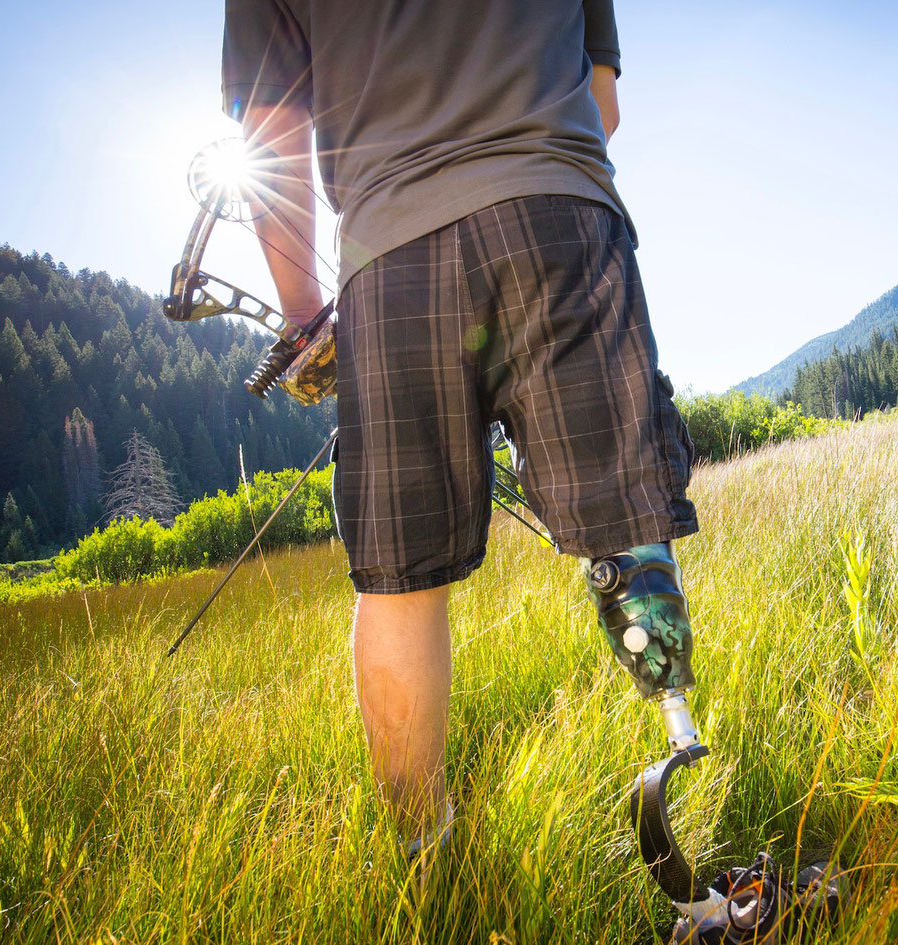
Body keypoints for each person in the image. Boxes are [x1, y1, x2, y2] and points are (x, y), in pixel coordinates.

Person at [221, 0, 699, 855]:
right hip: (558, 210)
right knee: (625, 524)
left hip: (389, 255)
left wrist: (303, 319)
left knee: (400, 581)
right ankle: (681, 748)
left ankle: (425, 856)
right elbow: (602, 99)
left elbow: (271, 135)